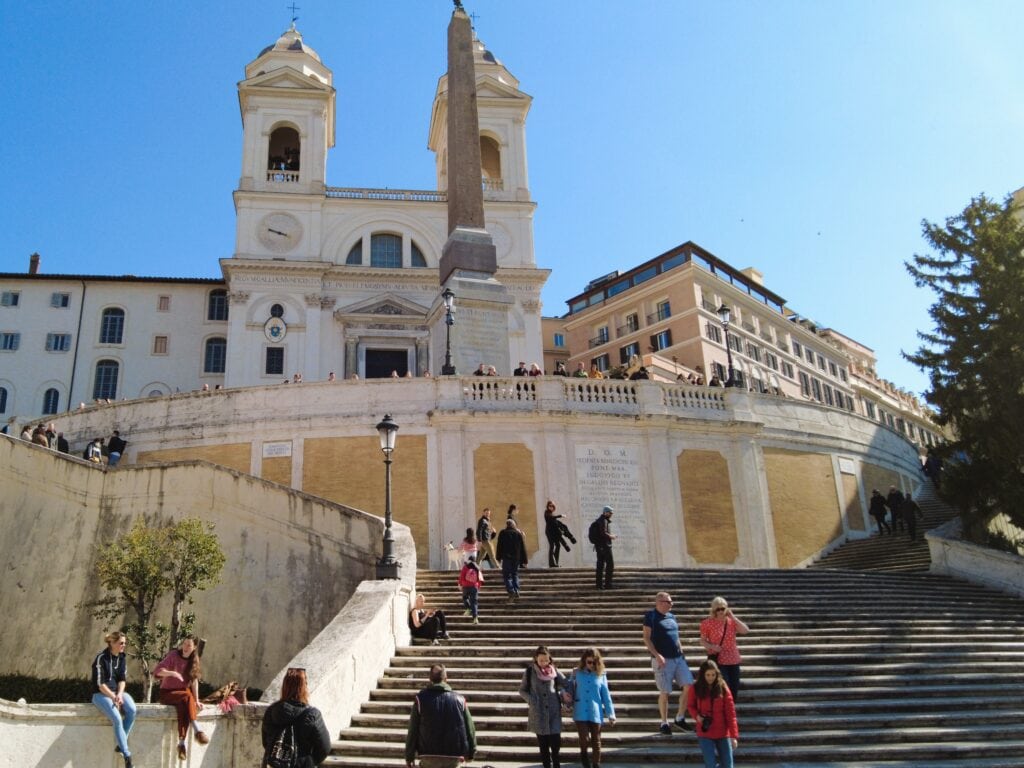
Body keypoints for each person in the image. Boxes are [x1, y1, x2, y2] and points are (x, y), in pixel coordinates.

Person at [404, 664, 476, 768]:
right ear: (446, 679)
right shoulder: (460, 700)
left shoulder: (420, 699)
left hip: (428, 756)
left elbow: (413, 729)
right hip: (453, 757)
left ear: (429, 679)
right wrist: (471, 753)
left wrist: (409, 756)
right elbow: (470, 729)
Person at [643, 591, 694, 734]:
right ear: (659, 602)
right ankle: (664, 722)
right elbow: (646, 638)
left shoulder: (672, 616)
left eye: (671, 602)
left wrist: (682, 651)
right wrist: (656, 655)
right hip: (662, 659)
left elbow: (676, 636)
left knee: (689, 685)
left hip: (678, 657)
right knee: (665, 691)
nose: (671, 604)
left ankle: (679, 717)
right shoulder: (651, 616)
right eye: (668, 602)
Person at [262, 667, 331, 767]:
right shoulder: (312, 715)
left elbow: (266, 742)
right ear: (304, 688)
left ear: (284, 686)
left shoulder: (271, 711)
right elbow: (325, 748)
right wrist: (308, 762)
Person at [154, 635, 208, 760]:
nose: (185, 647)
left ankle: (181, 744)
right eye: (184, 644)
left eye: (189, 645)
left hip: (183, 695)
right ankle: (197, 730)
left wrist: (198, 700)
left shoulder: (194, 659)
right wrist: (172, 673)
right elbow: (157, 671)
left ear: (194, 647)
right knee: (187, 696)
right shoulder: (173, 655)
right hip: (167, 693)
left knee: (183, 708)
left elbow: (194, 681)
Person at [91, 631, 136, 768]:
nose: (123, 645)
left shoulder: (122, 657)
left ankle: (119, 745)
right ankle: (127, 755)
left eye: (124, 643)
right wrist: (113, 697)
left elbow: (122, 679)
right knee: (117, 718)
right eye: (121, 643)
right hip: (101, 695)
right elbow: (100, 684)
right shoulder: (101, 658)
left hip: (117, 693)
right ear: (112, 643)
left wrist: (120, 695)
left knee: (132, 710)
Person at [520, 646, 569, 768]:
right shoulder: (530, 672)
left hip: (554, 712)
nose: (544, 663)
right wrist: (532, 700)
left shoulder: (554, 671)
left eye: (546, 660)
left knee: (556, 742)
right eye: (541, 660)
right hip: (538, 712)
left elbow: (567, 683)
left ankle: (556, 764)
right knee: (543, 745)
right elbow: (522, 690)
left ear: (549, 659)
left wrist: (562, 692)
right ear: (536, 659)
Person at [687, 660, 739, 768]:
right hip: (705, 731)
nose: (710, 678)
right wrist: (697, 716)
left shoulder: (723, 687)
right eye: (708, 675)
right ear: (702, 675)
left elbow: (731, 713)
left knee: (728, 765)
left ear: (717, 674)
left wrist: (734, 736)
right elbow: (691, 706)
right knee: (710, 764)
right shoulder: (695, 688)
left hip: (722, 732)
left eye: (713, 675)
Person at [699, 596, 749, 701]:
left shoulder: (731, 621)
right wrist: (712, 646)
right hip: (718, 659)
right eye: (718, 609)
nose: (721, 611)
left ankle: (731, 708)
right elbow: (702, 641)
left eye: (723, 608)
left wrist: (733, 617)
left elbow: (745, 630)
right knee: (723, 686)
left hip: (733, 658)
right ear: (714, 610)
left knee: (734, 685)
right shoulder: (707, 623)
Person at [572, 648, 615, 768]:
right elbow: (569, 688)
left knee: (596, 741)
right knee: (584, 738)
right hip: (580, 710)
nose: (591, 665)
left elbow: (606, 695)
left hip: (595, 711)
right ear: (584, 661)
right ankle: (584, 754)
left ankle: (596, 764)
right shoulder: (577, 673)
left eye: (594, 662)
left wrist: (610, 714)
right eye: (589, 662)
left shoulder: (601, 674)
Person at [496, 517, 528, 599]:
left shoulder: (502, 533)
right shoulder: (518, 534)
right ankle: (516, 590)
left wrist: (498, 557)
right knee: (515, 574)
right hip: (516, 559)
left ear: (507, 525)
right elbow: (522, 548)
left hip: (506, 558)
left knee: (507, 575)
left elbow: (499, 546)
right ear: (513, 525)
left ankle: (511, 590)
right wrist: (525, 560)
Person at [591, 505, 616, 590]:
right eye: (610, 512)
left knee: (600, 565)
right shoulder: (603, 520)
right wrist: (611, 536)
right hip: (605, 546)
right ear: (605, 512)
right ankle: (608, 584)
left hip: (599, 546)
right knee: (610, 564)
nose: (611, 514)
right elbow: (603, 533)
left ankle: (599, 585)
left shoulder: (599, 520)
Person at [544, 500, 570, 568]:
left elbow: (555, 523)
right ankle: (552, 563)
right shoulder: (546, 513)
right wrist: (560, 515)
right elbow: (551, 518)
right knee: (552, 546)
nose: (551, 507)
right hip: (549, 532)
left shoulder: (552, 513)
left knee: (558, 545)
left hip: (554, 533)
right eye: (550, 506)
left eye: (552, 506)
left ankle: (556, 562)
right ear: (548, 506)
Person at [458, 554, 483, 624]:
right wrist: (478, 586)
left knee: (465, 597)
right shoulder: (477, 568)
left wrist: (460, 584)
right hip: (474, 587)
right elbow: (480, 579)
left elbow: (461, 576)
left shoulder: (465, 567)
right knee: (474, 603)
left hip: (465, 586)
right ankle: (475, 619)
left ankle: (468, 608)